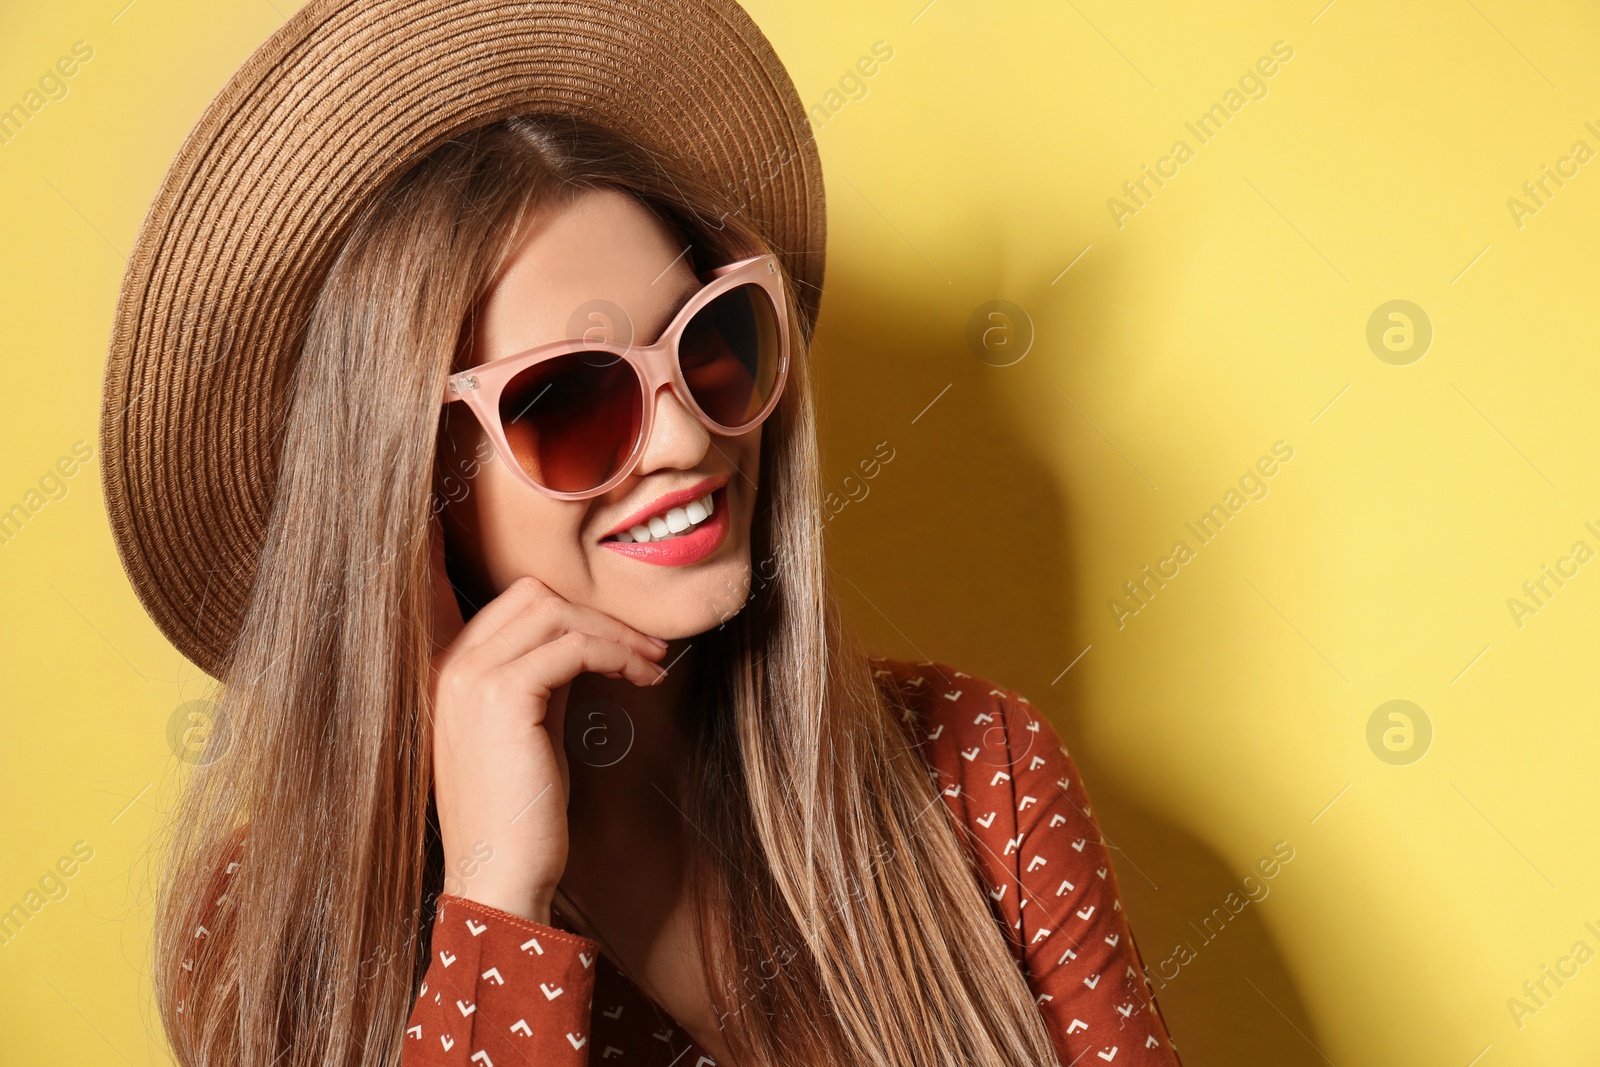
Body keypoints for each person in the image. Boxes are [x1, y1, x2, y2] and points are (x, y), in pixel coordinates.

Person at [100, 4, 1182, 1066]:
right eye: (568, 398)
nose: (681, 434)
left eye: (708, 341)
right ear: (409, 485)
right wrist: (494, 897)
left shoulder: (973, 771)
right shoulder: (272, 928)